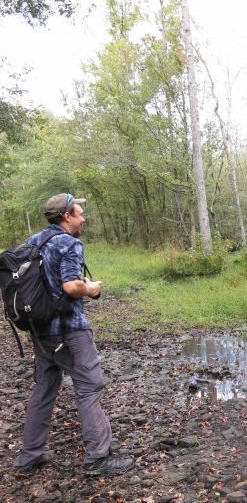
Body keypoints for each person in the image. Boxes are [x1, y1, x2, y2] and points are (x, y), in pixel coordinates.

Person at [13, 193, 134, 476]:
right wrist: (91, 288)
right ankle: (99, 458)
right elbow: (70, 286)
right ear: (67, 216)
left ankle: (28, 457)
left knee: (44, 389)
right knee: (90, 387)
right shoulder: (69, 243)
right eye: (79, 213)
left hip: (40, 331)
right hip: (69, 331)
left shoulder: (33, 242)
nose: (83, 218)